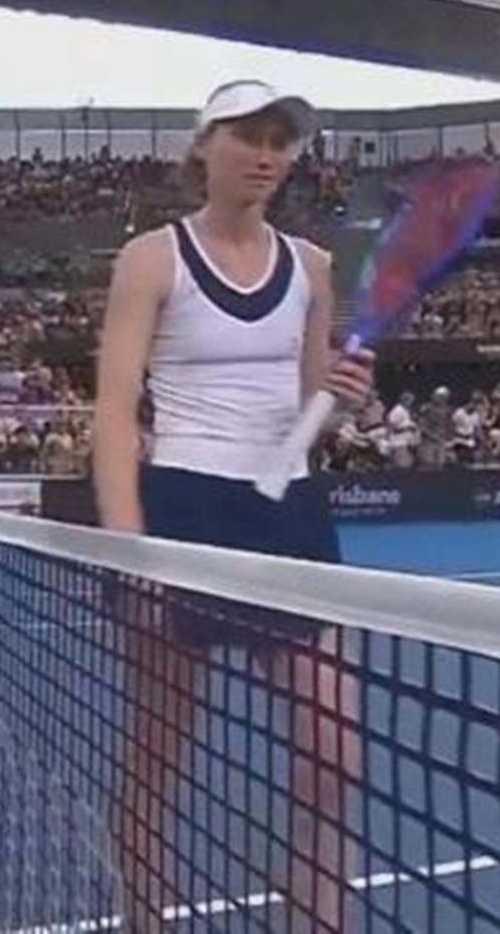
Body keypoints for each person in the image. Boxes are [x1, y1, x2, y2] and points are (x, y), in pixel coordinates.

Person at [92, 80, 375, 932]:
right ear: (202, 146)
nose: (264, 154)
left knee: (333, 755)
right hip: (180, 510)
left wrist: (342, 400)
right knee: (158, 750)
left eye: (279, 141)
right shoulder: (150, 259)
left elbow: (309, 413)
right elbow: (114, 414)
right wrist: (129, 550)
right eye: (247, 136)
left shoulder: (313, 267)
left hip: (288, 516)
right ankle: (144, 918)